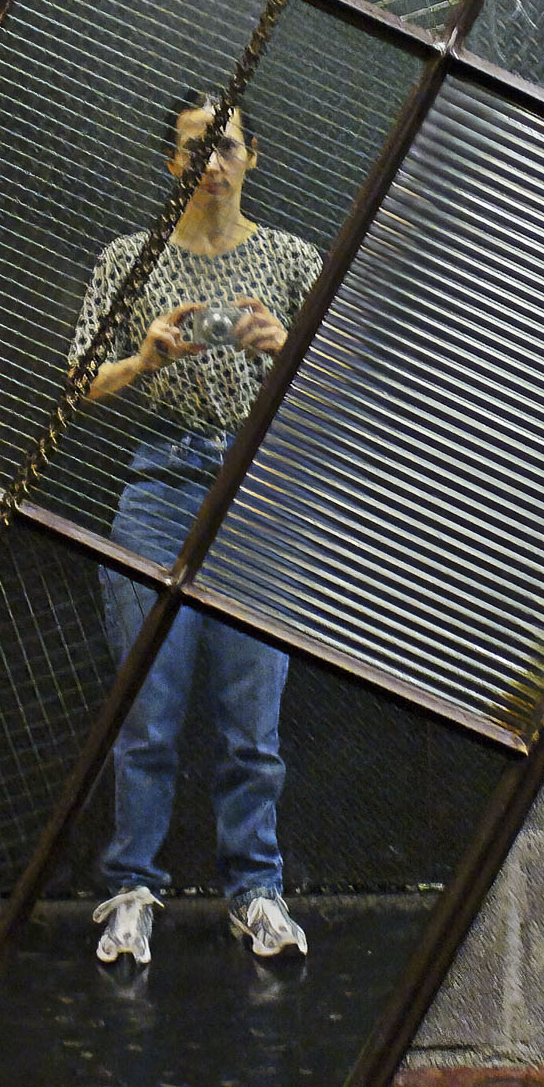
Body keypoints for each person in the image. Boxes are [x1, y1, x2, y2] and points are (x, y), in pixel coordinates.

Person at [75, 93, 321, 968]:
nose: (211, 161)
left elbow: (343, 392)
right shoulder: (130, 260)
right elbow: (76, 386)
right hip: (159, 485)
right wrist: (145, 359)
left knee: (253, 720)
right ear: (171, 163)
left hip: (261, 495)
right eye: (193, 147)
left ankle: (255, 891)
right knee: (148, 712)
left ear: (254, 154)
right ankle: (132, 889)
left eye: (226, 145)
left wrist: (280, 345)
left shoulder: (293, 259)